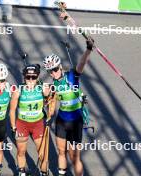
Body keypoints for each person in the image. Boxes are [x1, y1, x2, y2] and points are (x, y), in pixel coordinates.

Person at [42, 38, 94, 176]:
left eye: (54, 69)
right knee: (61, 152)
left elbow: (82, 63)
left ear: (59, 67)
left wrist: (88, 50)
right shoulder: (53, 84)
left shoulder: (72, 75)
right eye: (49, 71)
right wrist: (46, 99)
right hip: (61, 121)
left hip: (75, 121)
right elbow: (51, 103)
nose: (52, 73)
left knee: (74, 157)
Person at [10, 64, 52, 176]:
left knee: (42, 153)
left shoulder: (42, 88)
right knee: (21, 151)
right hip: (22, 124)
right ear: (24, 77)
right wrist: (13, 126)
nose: (30, 80)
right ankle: (22, 173)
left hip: (38, 124)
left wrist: (50, 114)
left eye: (33, 77)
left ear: (37, 77)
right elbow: (12, 109)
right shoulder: (18, 90)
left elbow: (52, 100)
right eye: (28, 77)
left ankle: (44, 172)